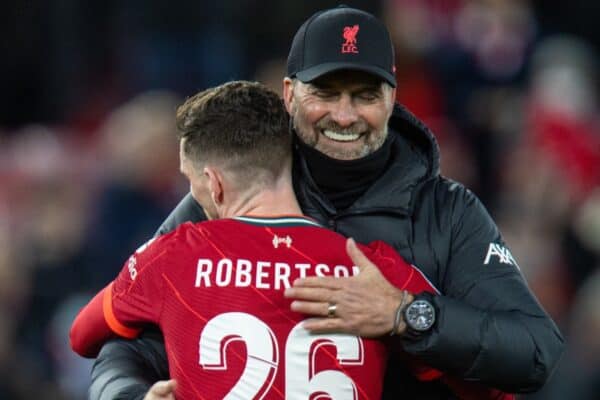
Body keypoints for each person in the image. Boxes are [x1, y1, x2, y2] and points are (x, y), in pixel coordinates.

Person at [89, 6, 564, 400]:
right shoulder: (232, 193)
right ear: (290, 93)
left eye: (364, 95)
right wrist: (128, 394)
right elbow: (125, 340)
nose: (344, 114)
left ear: (392, 97)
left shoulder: (446, 212)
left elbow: (535, 351)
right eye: (326, 92)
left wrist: (406, 314)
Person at [71, 80, 446, 399]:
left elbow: (82, 334)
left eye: (191, 181)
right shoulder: (373, 269)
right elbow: (473, 368)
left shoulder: (173, 256)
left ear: (214, 184)